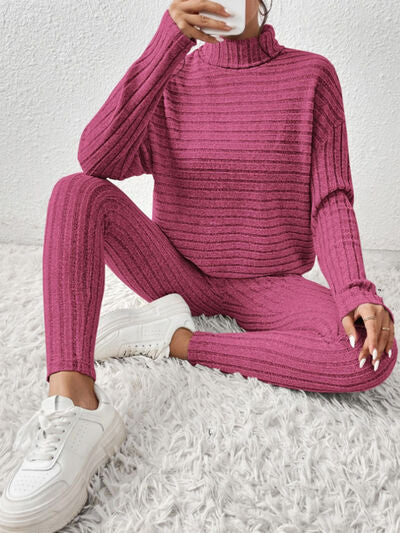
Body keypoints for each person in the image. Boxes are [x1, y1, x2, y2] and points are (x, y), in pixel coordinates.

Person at [0, 1, 396, 530]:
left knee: (367, 355)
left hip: (269, 284)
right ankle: (75, 404)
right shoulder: (174, 76)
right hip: (173, 271)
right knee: (75, 193)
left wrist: (355, 292)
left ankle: (170, 338)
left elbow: (331, 200)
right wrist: (167, 44)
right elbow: (96, 161)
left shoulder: (311, 76)